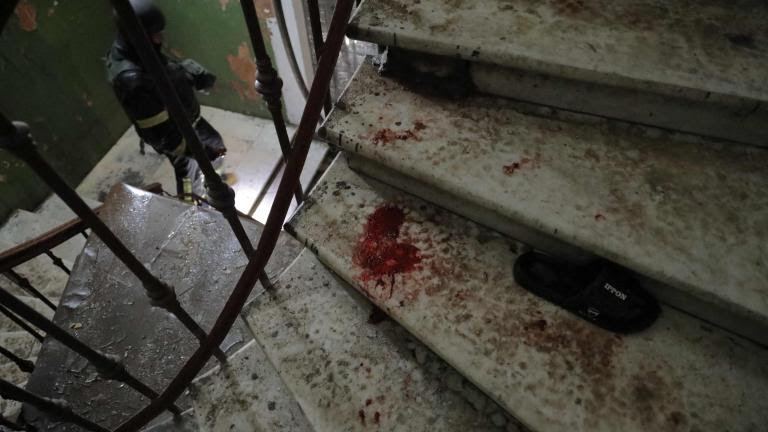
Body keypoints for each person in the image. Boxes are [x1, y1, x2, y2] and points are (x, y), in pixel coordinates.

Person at [105, 0, 225, 199]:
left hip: (186, 118)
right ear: (139, 37)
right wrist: (199, 152)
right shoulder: (131, 81)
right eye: (155, 34)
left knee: (216, 143)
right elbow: (161, 135)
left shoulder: (137, 50)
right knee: (188, 174)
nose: (161, 38)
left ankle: (213, 181)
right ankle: (191, 206)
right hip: (176, 133)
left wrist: (185, 76)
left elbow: (160, 73)